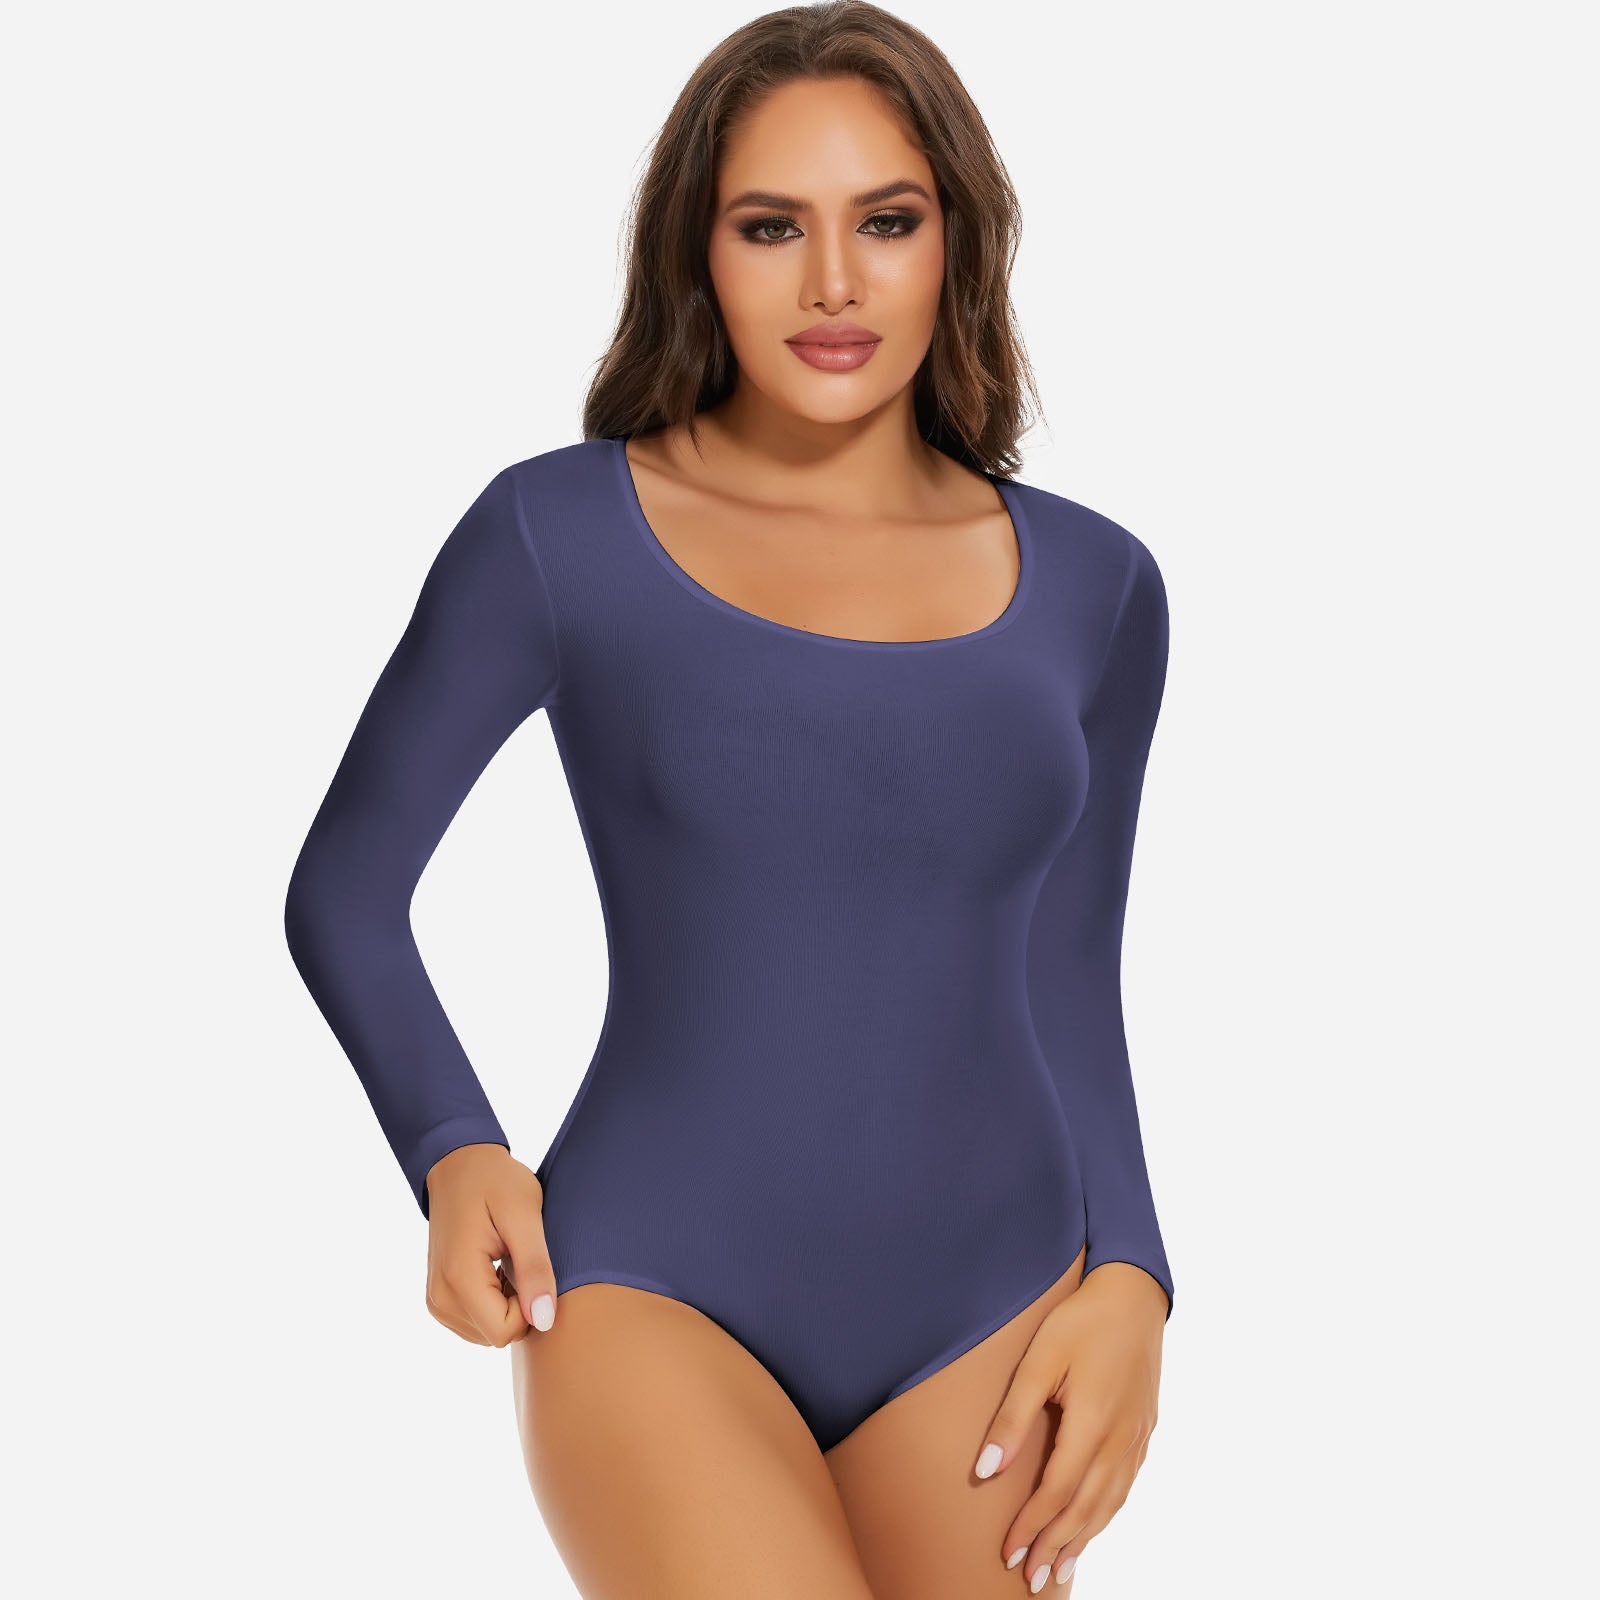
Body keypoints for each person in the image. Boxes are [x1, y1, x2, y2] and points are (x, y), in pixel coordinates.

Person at [283, 4, 1177, 1595]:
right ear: (696, 252)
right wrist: (452, 1147)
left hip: (1001, 1296)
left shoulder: (1099, 588)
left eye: (885, 222)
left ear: (958, 244)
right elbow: (346, 890)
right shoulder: (557, 537)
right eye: (771, 226)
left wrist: (1138, 1279)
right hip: (655, 1284)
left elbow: (1069, 970)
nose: (833, 283)